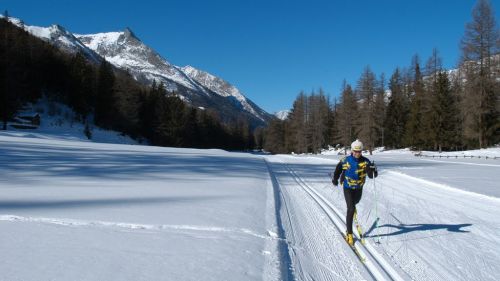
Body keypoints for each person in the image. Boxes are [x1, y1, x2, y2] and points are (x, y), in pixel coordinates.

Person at [332, 139, 377, 246]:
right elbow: (338, 169)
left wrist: (373, 170)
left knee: (355, 202)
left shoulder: (366, 162)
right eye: (355, 151)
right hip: (347, 186)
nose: (357, 153)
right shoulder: (346, 160)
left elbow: (371, 176)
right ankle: (349, 233)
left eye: (359, 151)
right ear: (352, 151)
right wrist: (335, 178)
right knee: (351, 208)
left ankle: (352, 206)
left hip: (359, 187)